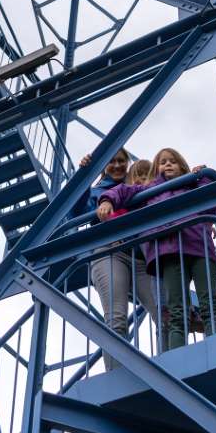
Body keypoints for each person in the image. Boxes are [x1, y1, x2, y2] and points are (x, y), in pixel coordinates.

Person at [97, 148, 216, 351]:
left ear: (183, 165)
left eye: (173, 161)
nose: (168, 165)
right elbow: (123, 190)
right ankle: (177, 356)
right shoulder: (150, 191)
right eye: (163, 162)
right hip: (169, 253)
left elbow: (212, 204)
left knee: (209, 304)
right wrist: (107, 200)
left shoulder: (192, 187)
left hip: (200, 250)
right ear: (158, 169)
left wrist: (203, 176)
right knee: (175, 311)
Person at [76, 150, 160, 370]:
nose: (116, 165)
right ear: (103, 167)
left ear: (128, 162)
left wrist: (195, 174)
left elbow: (170, 187)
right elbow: (76, 211)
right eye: (111, 161)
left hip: (141, 256)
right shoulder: (97, 192)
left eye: (121, 161)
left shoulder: (139, 184)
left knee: (164, 312)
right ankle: (116, 375)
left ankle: (175, 365)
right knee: (116, 318)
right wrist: (84, 175)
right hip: (109, 252)